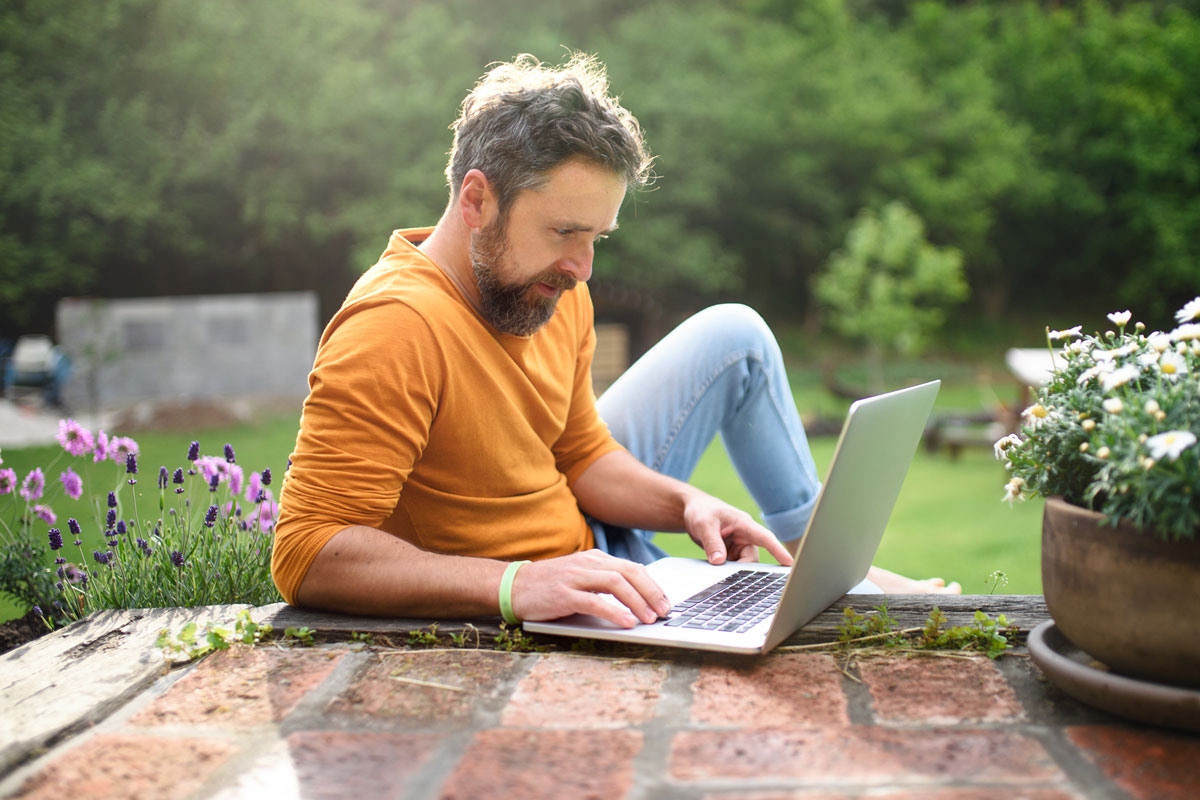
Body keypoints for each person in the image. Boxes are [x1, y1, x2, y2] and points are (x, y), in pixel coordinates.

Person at [270, 53, 959, 629]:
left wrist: (682, 503)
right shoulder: (396, 327)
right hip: (555, 587)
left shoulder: (548, 288)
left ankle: (824, 568)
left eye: (597, 239)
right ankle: (844, 587)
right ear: (477, 201)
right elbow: (306, 550)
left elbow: (581, 453)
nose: (583, 269)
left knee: (738, 335)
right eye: (566, 233)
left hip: (601, 554)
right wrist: (516, 587)